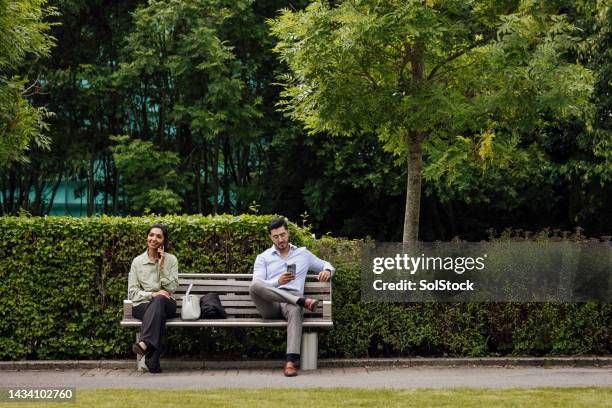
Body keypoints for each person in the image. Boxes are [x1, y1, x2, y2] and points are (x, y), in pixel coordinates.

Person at [250, 217, 334, 377]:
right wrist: (277, 281)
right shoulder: (263, 257)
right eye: (276, 236)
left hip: (291, 301)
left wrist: (327, 271)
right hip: (271, 304)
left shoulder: (303, 254)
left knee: (295, 308)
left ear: (288, 233)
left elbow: (326, 264)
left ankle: (290, 362)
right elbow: (258, 284)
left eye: (283, 235)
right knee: (254, 286)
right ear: (270, 237)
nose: (280, 239)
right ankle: (302, 302)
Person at [128, 223, 179, 373]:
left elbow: (171, 289)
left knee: (161, 299)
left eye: (159, 236)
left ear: (164, 241)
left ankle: (144, 343)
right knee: (158, 312)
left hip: (167, 303)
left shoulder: (171, 260)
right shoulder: (137, 262)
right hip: (142, 305)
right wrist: (152, 294)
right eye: (151, 235)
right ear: (147, 237)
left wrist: (162, 266)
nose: (154, 239)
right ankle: (153, 363)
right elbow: (133, 292)